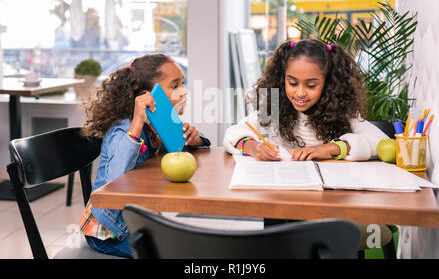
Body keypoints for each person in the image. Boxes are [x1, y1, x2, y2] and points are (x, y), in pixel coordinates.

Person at [78, 54, 210, 258]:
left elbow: (177, 149)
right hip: (110, 232)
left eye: (182, 83)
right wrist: (137, 122)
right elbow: (114, 182)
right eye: (174, 86)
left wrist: (195, 140)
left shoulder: (158, 122)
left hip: (139, 220)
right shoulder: (123, 128)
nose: (183, 91)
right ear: (147, 95)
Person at [223, 38, 388, 161]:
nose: (300, 93)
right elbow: (234, 132)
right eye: (292, 83)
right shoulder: (274, 111)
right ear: (282, 79)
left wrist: (334, 148)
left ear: (328, 84)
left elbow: (381, 142)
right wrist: (252, 147)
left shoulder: (342, 113)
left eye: (311, 85)